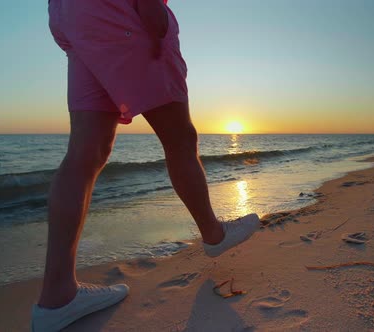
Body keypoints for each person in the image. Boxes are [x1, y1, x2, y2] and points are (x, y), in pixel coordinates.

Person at [32, 0, 260, 330]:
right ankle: (214, 233)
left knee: (86, 153)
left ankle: (57, 296)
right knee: (179, 136)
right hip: (117, 11)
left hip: (70, 14)